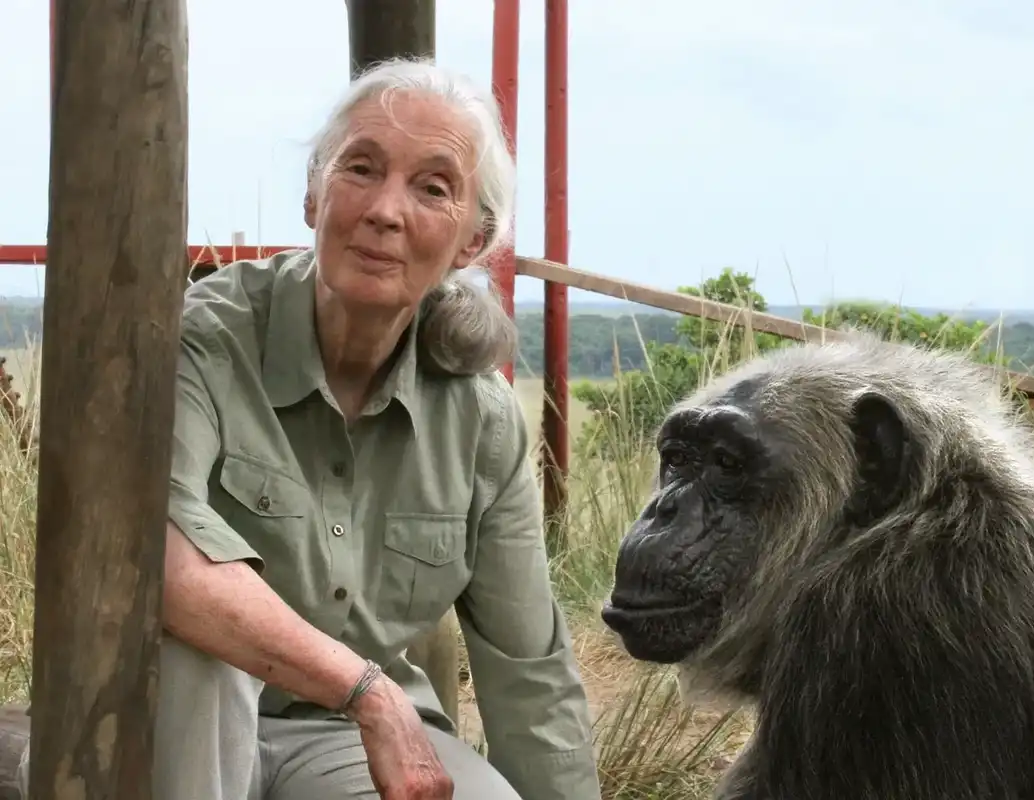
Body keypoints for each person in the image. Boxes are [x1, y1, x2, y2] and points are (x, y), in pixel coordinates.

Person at [18, 57, 602, 800]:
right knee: (199, 652)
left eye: (432, 188)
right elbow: (157, 556)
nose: (385, 210)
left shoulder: (479, 419)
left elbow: (530, 675)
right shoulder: (200, 341)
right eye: (361, 168)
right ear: (313, 193)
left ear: (471, 241)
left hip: (342, 741)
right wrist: (369, 691)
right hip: (170, 725)